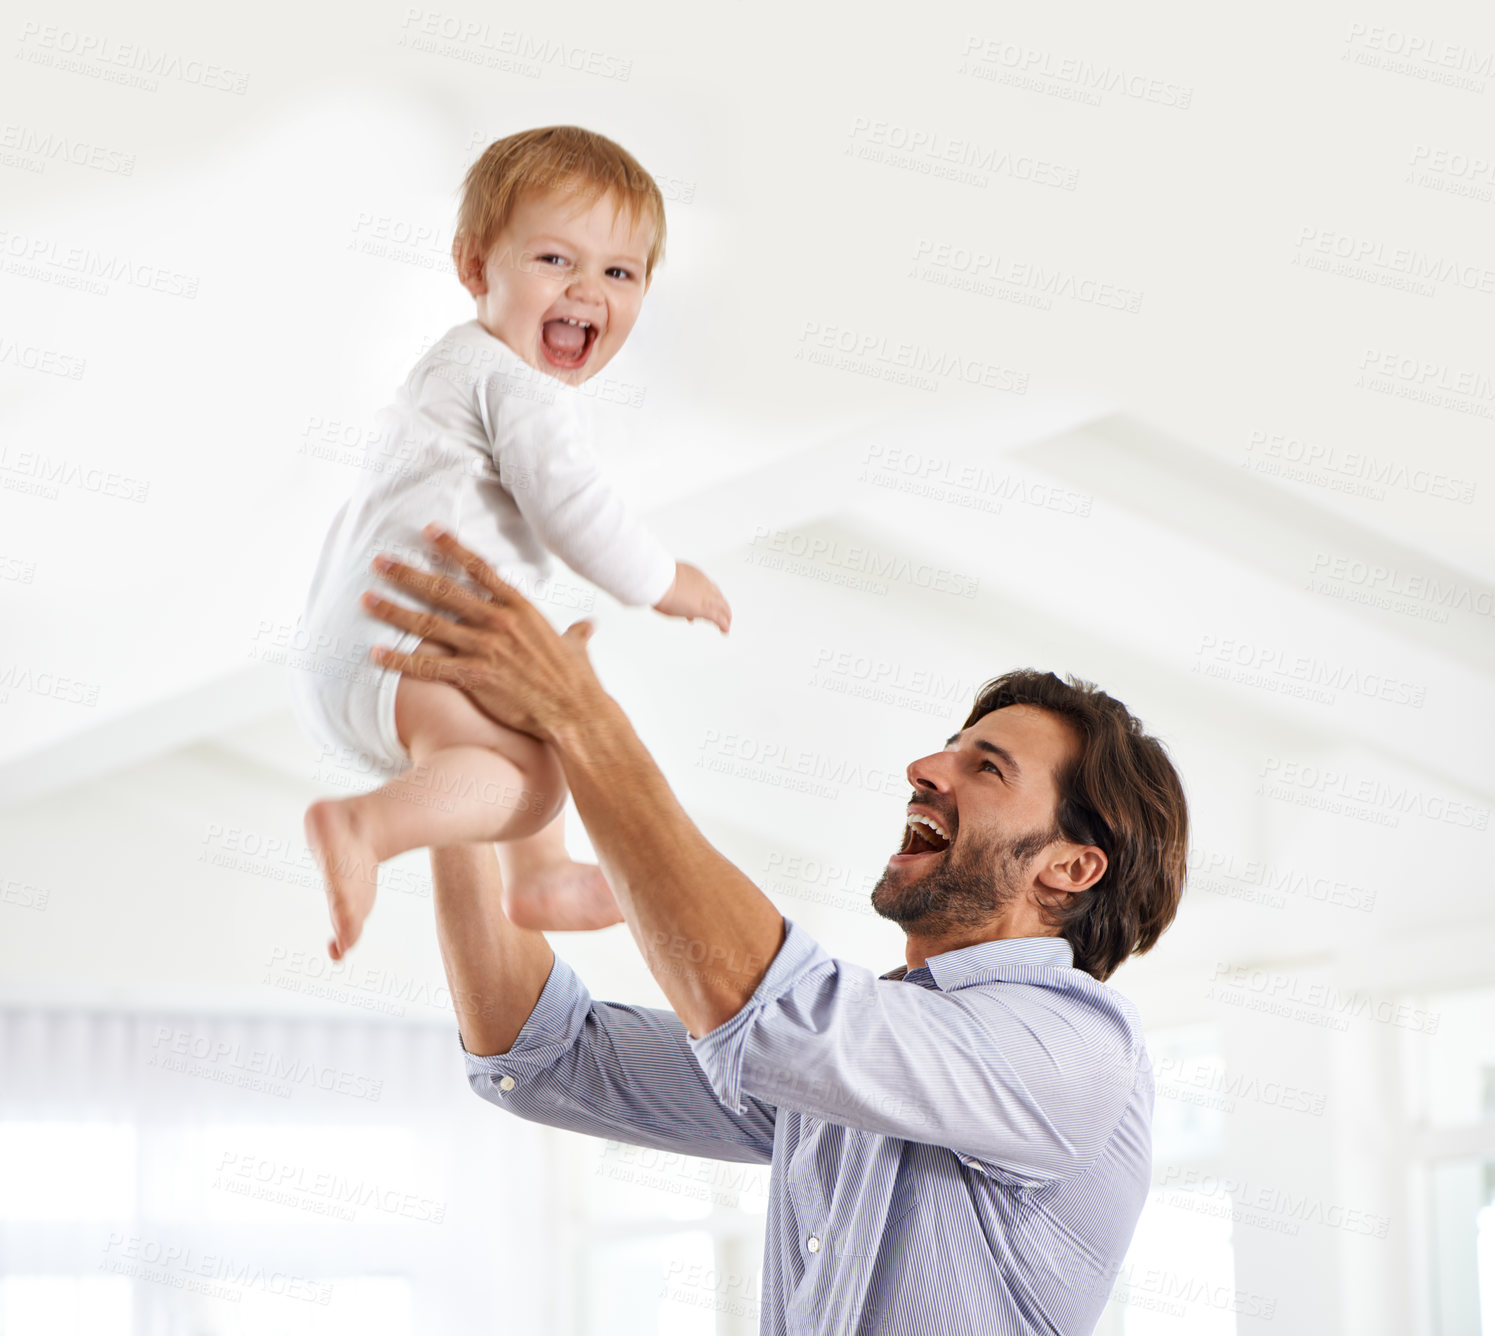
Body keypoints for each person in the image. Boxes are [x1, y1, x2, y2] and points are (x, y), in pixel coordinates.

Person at [357, 525, 1190, 1336]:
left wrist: (581, 716)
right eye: (949, 749)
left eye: (986, 767)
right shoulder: (867, 1058)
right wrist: (455, 775)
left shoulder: (1077, 1049)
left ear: (1071, 868)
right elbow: (542, 1055)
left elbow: (771, 1013)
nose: (924, 769)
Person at [288, 126, 730, 962]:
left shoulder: (450, 368)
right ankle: (364, 826)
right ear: (475, 268)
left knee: (538, 723)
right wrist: (663, 579)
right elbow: (570, 507)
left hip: (353, 647)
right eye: (555, 261)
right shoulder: (516, 381)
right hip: (408, 641)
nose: (587, 290)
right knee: (530, 783)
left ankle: (540, 878)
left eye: (619, 272)